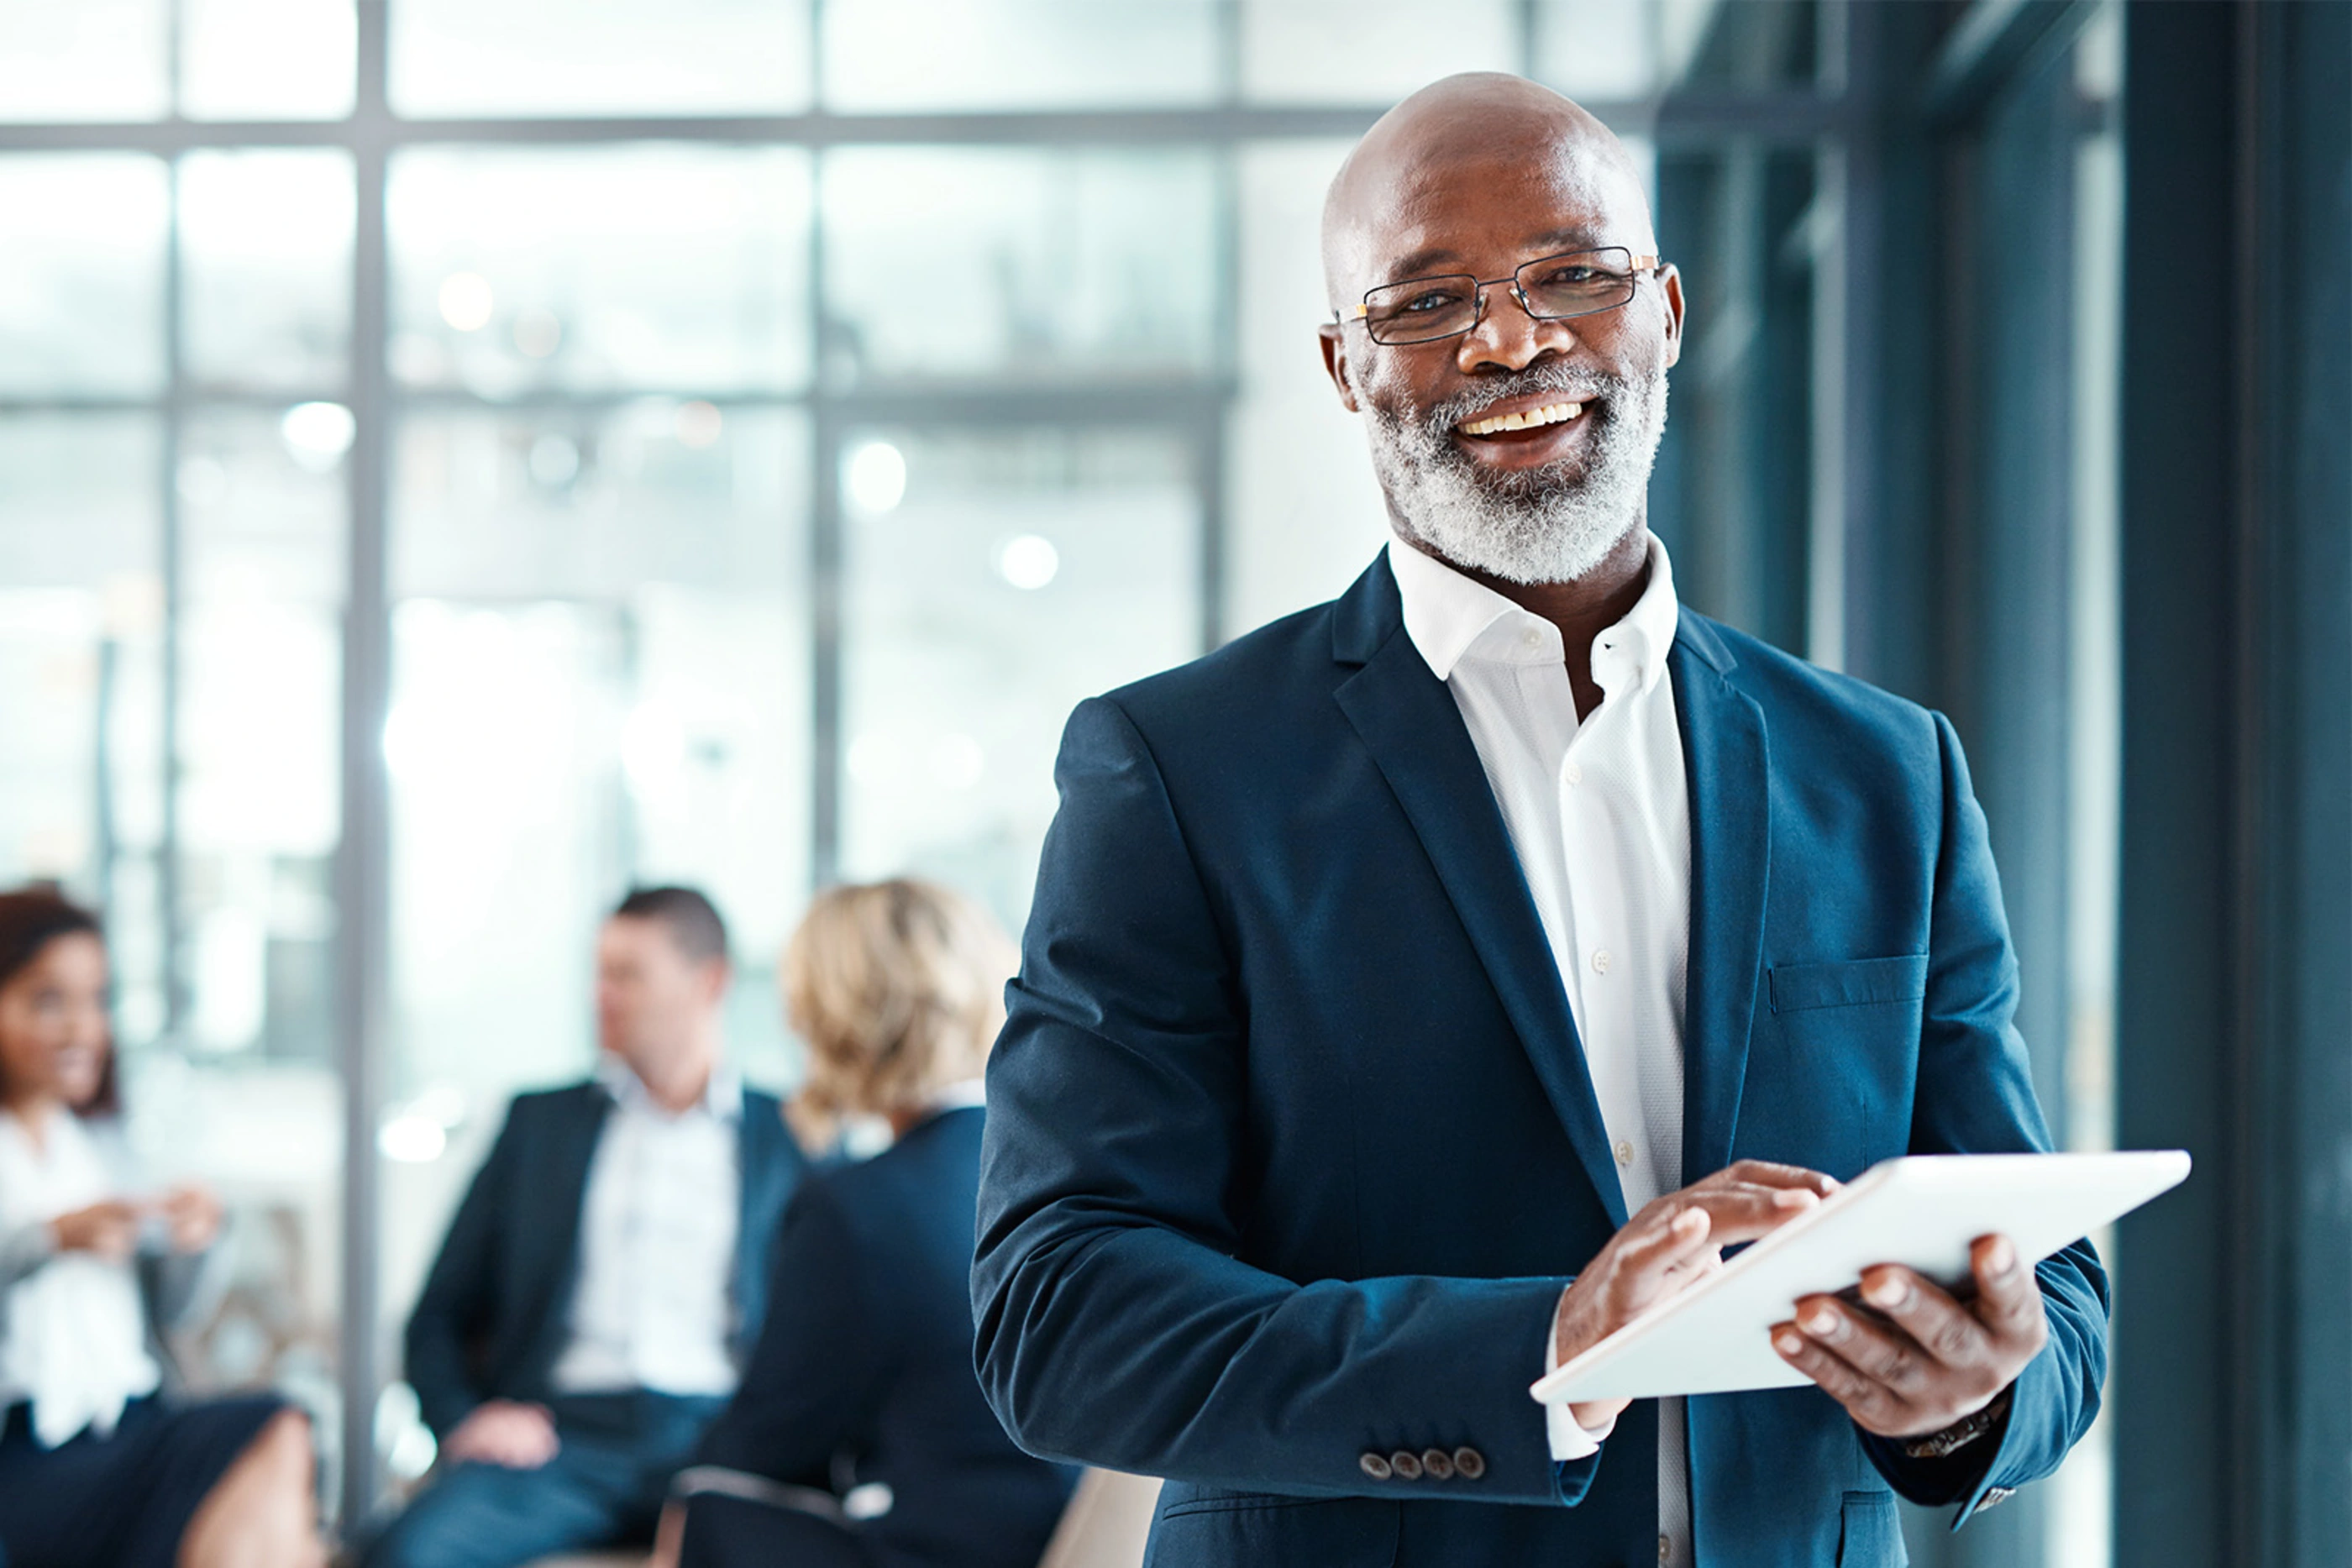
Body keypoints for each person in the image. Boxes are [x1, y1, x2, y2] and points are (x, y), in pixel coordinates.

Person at [970, 72, 2108, 1568]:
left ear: (1669, 314)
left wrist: (1962, 1403)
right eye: (1427, 299)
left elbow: (2052, 1293)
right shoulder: (1178, 769)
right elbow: (1061, 1313)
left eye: (1573, 274)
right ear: (1340, 366)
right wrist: (1547, 1347)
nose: (1511, 339)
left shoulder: (1889, 770)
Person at [368, 886, 806, 1568]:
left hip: (719, 1438)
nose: (601, 993)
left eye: (628, 974)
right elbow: (436, 1316)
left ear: (709, 982)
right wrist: (464, 1417)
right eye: (599, 972)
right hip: (559, 1440)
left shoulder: (789, 1138)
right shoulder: (538, 1126)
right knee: (410, 1553)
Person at [654, 879, 1076, 1568]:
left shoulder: (858, 1205)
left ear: (831, 1021)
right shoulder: (1058, 1168)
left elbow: (770, 1439)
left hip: (953, 1549)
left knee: (708, 1508)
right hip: (1068, 1532)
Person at [0, 887, 323, 1568]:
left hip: (133, 1418)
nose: (82, 1029)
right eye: (47, 1000)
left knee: (273, 1456)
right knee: (271, 1433)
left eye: (96, 1000)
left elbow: (173, 1309)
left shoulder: (101, 1147)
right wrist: (50, 1239)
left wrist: (200, 1239)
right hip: (31, 1454)